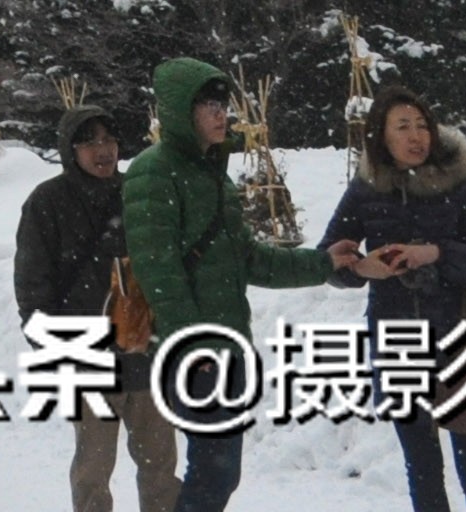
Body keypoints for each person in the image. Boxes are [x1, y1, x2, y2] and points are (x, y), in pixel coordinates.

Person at [123, 56, 338, 512]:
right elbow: (159, 271)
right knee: (213, 471)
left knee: (219, 472)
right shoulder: (153, 171)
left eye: (223, 105)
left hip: (227, 344)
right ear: (181, 111)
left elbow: (250, 260)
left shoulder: (212, 173)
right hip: (195, 352)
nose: (221, 115)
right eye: (208, 105)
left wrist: (325, 264)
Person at [323, 83, 466, 512]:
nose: (416, 136)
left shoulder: (458, 184)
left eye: (422, 125)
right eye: (403, 127)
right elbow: (330, 258)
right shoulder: (366, 188)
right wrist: (362, 268)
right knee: (422, 466)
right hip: (399, 342)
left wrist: (437, 253)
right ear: (381, 135)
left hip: (464, 339)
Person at [17, 106, 176, 512]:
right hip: (87, 357)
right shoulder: (47, 202)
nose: (103, 150)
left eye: (109, 139)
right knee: (93, 470)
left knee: (160, 465)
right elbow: (33, 286)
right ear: (70, 150)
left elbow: (167, 264)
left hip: (143, 348)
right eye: (90, 142)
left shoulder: (137, 192)